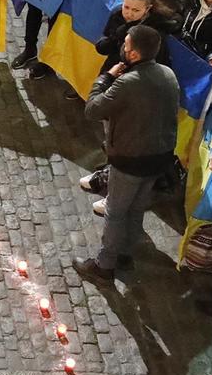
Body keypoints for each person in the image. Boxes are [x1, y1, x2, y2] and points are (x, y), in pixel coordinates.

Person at [73, 25, 179, 282]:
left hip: (130, 159)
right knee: (136, 208)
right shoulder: (168, 74)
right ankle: (125, 255)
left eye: (127, 44)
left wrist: (105, 78)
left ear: (133, 54)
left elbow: (94, 109)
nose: (123, 46)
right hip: (160, 157)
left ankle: (104, 265)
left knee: (116, 210)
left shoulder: (127, 82)